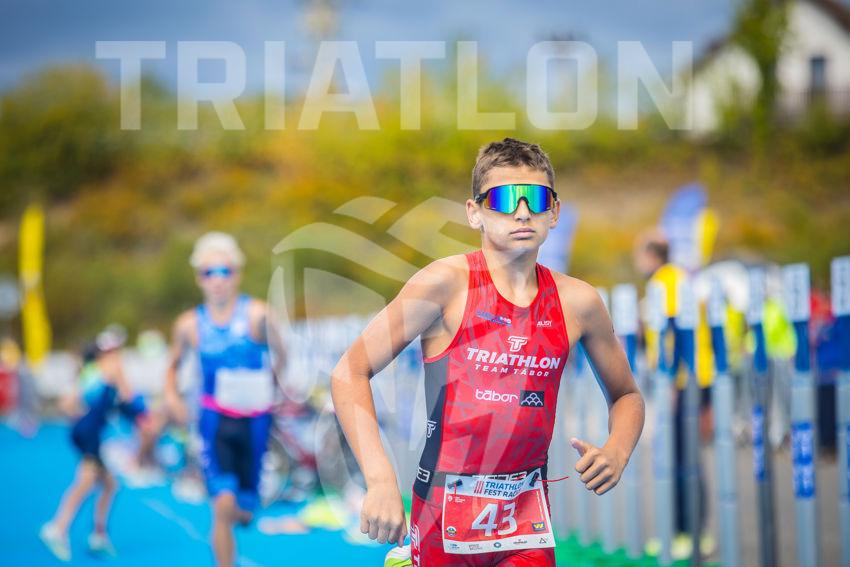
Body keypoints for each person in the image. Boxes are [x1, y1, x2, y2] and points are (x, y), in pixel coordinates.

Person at [332, 138, 645, 567]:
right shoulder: (445, 283)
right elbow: (350, 371)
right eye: (503, 200)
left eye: (537, 199)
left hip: (525, 520)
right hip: (441, 514)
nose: (522, 212)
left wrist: (617, 451)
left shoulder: (579, 301)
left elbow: (627, 395)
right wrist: (381, 480)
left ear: (554, 211)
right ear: (474, 212)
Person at [163, 231, 286, 567]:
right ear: (198, 278)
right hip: (214, 421)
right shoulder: (189, 324)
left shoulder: (258, 315)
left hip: (255, 421)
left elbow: (283, 355)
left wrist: (274, 385)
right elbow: (172, 368)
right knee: (222, 503)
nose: (217, 280)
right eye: (209, 273)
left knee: (244, 510)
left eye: (224, 271)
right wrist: (172, 397)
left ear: (237, 274)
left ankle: (244, 506)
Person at [40, 325, 147, 561]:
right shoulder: (113, 366)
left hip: (82, 430)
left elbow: (66, 404)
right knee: (86, 481)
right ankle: (57, 527)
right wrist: (141, 414)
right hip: (91, 432)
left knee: (109, 484)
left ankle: (98, 535)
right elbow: (128, 398)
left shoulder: (90, 369)